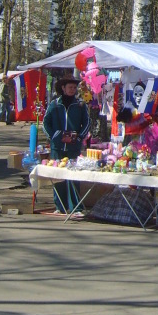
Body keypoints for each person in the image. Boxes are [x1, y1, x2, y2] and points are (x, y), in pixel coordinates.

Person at [42, 75, 90, 213]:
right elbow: (46, 123)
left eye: (74, 88)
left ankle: (76, 207)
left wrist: (80, 137)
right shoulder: (55, 104)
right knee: (58, 177)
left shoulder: (80, 105)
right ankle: (60, 206)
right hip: (57, 147)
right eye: (70, 87)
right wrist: (54, 136)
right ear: (63, 88)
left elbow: (87, 123)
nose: (72, 90)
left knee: (74, 177)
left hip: (73, 148)